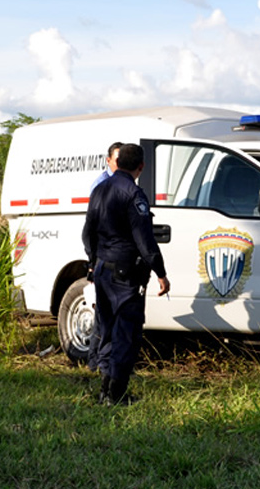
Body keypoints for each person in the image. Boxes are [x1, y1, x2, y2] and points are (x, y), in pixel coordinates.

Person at [82, 143, 170, 405]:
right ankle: (116, 395)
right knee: (126, 333)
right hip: (125, 273)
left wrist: (93, 260)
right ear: (140, 167)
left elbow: (87, 233)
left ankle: (104, 392)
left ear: (116, 162)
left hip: (102, 270)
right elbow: (144, 240)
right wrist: (161, 273)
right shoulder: (133, 194)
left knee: (107, 330)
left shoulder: (99, 190)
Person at [86, 141, 124, 372]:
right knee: (104, 314)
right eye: (116, 159)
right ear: (108, 160)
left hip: (112, 256)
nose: (119, 164)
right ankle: (95, 361)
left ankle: (101, 360)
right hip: (103, 256)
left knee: (107, 314)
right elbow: (94, 226)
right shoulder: (101, 185)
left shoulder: (119, 184)